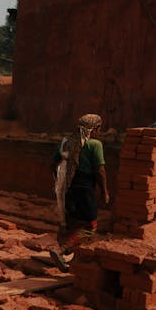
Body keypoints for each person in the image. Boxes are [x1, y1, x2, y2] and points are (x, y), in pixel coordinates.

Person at [50, 113, 110, 271]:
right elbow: (100, 170)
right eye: (98, 128)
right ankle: (62, 251)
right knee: (90, 226)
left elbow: (53, 164)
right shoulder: (94, 145)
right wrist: (105, 191)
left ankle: (69, 256)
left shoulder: (66, 142)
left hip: (67, 188)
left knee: (71, 222)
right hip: (84, 188)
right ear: (94, 129)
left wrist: (59, 183)